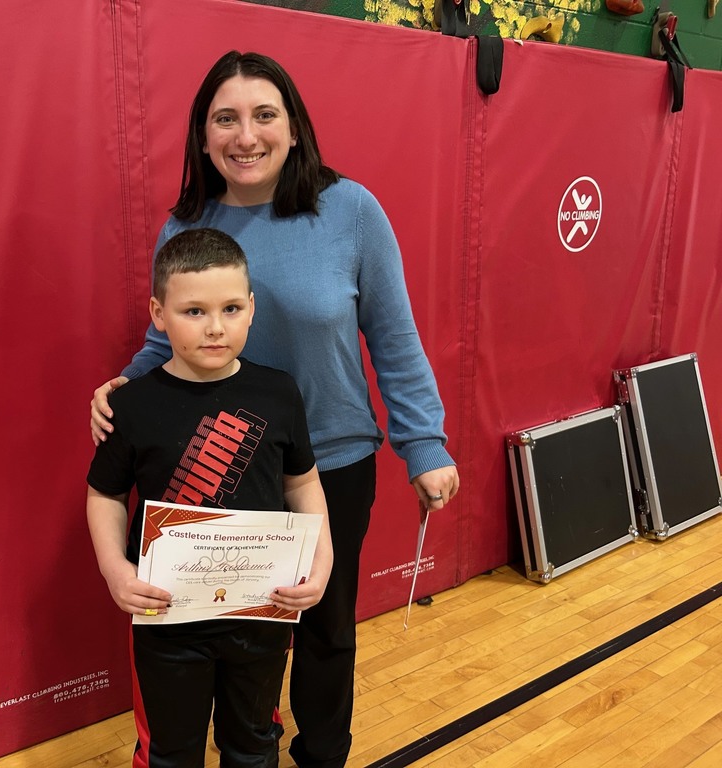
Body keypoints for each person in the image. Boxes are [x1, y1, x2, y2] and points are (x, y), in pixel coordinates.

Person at [90, 50, 460, 768]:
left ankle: (321, 756)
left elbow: (393, 333)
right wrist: (120, 387)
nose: (246, 135)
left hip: (331, 461)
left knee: (321, 626)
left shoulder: (350, 210)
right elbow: (163, 333)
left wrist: (427, 445)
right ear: (203, 137)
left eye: (264, 115)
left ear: (294, 129)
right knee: (230, 637)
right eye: (225, 119)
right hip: (221, 464)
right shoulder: (187, 222)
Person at [87, 227, 334, 768]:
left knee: (252, 745)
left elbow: (303, 483)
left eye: (229, 308)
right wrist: (114, 567)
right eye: (193, 311)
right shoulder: (132, 405)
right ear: (159, 313)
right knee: (170, 753)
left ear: (251, 308)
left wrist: (321, 562)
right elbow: (104, 493)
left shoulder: (279, 392)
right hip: (166, 618)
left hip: (260, 613)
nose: (215, 328)